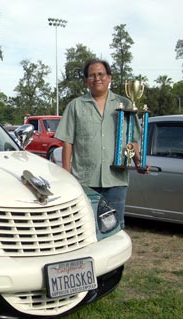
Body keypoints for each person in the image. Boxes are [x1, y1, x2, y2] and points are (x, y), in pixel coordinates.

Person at [55, 59, 145, 228]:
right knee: (85, 227)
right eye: (92, 75)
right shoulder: (76, 106)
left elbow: (133, 139)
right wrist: (66, 174)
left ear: (109, 77)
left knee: (114, 228)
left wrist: (138, 161)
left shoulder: (126, 105)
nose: (97, 78)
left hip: (116, 180)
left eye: (101, 74)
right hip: (85, 181)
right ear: (86, 80)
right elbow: (67, 141)